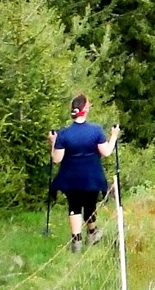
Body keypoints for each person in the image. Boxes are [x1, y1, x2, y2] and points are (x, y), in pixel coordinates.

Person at [49, 93, 121, 253]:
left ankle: (77, 241)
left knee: (73, 205)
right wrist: (114, 136)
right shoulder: (95, 131)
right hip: (92, 176)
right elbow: (107, 151)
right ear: (85, 109)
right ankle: (92, 233)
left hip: (70, 177)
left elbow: (56, 159)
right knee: (90, 204)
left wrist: (53, 143)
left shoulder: (64, 134)